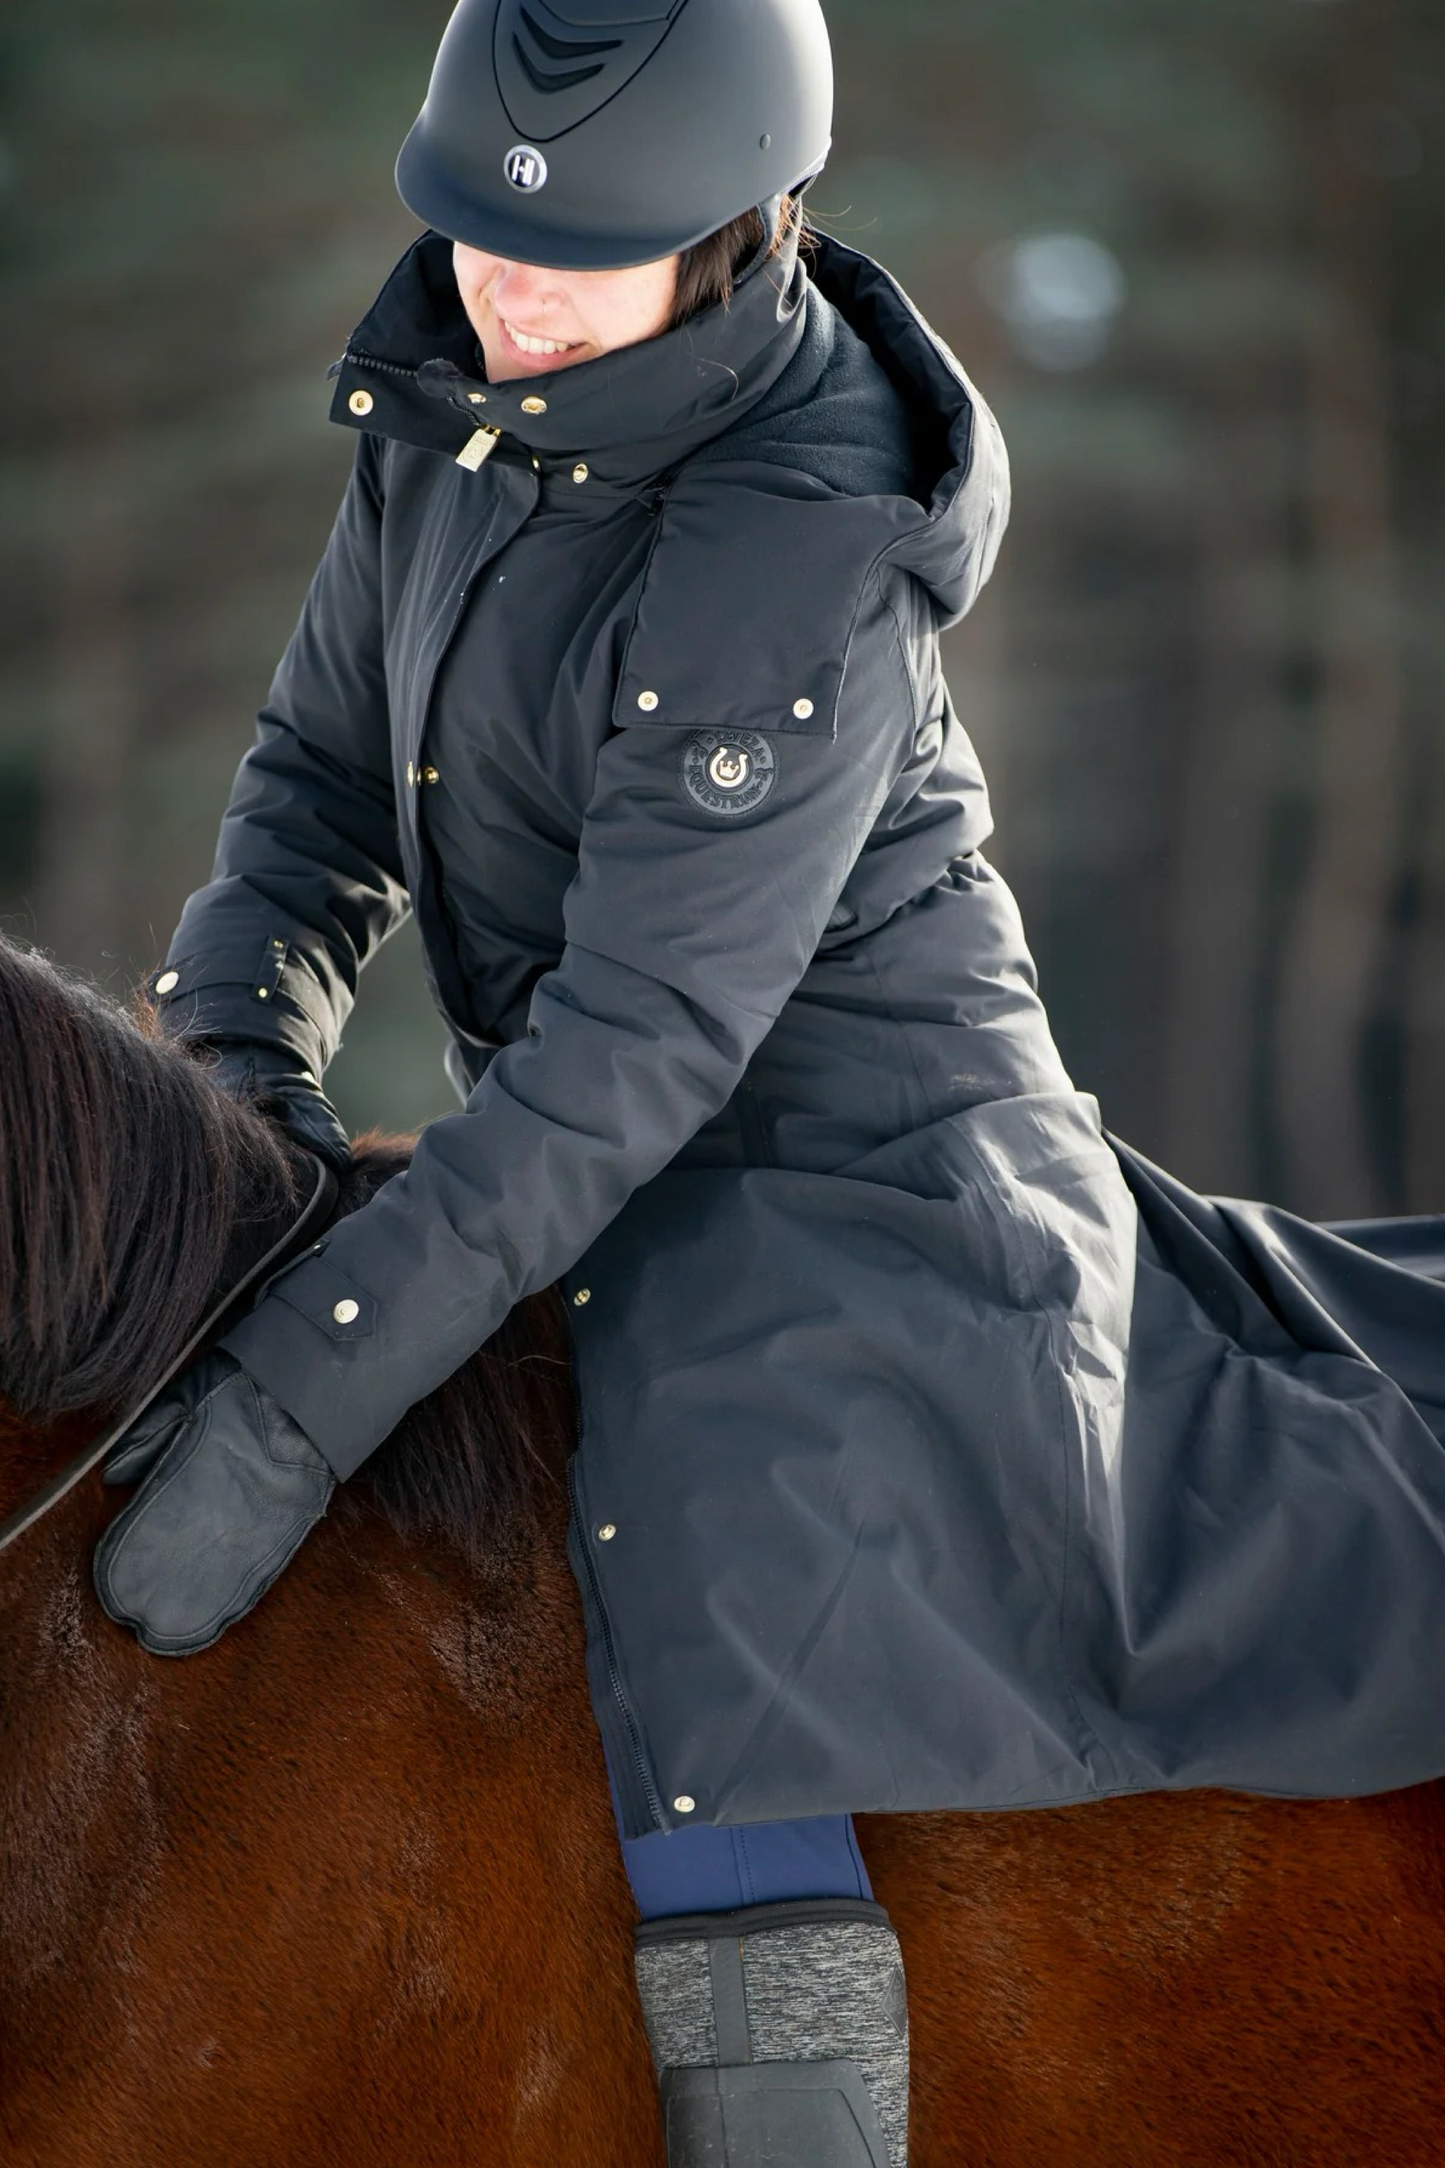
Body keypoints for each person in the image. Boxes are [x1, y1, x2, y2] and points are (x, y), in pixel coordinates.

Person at [91, 0, 1445, 2162]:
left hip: (848, 1178)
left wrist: (278, 1405)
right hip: (596, 1130)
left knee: (735, 1572)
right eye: (471, 232)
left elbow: (641, 1049)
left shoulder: (795, 523)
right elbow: (315, 776)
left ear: (733, 229)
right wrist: (234, 1103)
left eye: (583, 246)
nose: (507, 282)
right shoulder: (450, 397)